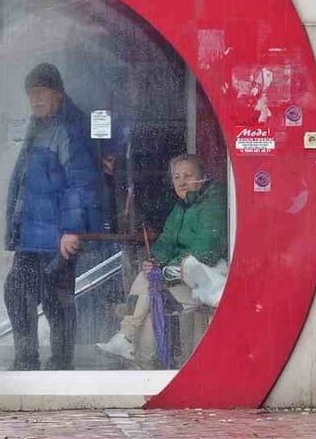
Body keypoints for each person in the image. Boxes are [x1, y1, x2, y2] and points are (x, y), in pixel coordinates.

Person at [3, 63, 100, 371]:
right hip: (32, 238)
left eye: (41, 92)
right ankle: (28, 361)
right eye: (31, 93)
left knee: (56, 302)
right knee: (18, 295)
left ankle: (58, 364)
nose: (35, 99)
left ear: (58, 94)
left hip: (56, 237)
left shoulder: (67, 129)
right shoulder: (37, 128)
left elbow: (80, 182)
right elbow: (23, 187)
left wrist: (72, 229)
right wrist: (14, 236)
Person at [97, 154, 228, 364]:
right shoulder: (181, 206)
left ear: (203, 177)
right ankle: (132, 346)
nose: (181, 182)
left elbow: (207, 249)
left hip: (205, 282)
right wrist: (154, 260)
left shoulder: (214, 203)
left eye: (188, 175)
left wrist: (166, 268)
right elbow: (166, 241)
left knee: (150, 290)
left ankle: (131, 345)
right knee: (147, 286)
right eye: (176, 177)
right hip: (181, 277)